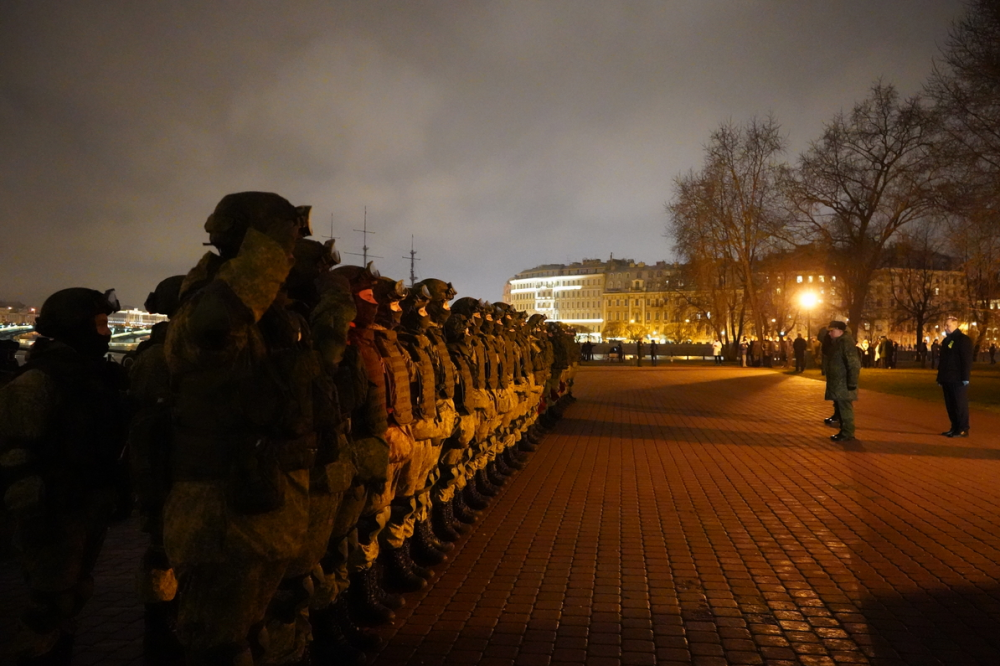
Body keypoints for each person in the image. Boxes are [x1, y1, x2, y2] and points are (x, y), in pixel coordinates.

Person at [0, 287, 130, 666]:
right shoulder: (39, 382)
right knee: (50, 603)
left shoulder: (94, 377)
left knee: (72, 595)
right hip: (55, 506)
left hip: (85, 499)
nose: (106, 333)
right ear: (77, 327)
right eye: (101, 323)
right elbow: (14, 454)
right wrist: (34, 511)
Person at [824, 321, 861, 442]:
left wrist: (852, 382)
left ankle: (847, 432)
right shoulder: (839, 342)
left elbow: (853, 364)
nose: (829, 333)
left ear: (840, 331)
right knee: (842, 407)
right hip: (840, 382)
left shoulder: (845, 343)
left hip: (843, 382)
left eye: (832, 331)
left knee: (845, 407)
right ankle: (845, 431)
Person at [937, 316, 973, 438]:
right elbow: (943, 361)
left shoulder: (963, 340)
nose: (946, 328)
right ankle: (954, 427)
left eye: (948, 325)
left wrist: (965, 377)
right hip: (947, 377)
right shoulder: (946, 340)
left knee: (959, 404)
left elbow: (966, 360)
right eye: (945, 325)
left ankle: (963, 428)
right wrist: (940, 377)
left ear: (955, 325)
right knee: (950, 405)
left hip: (958, 379)